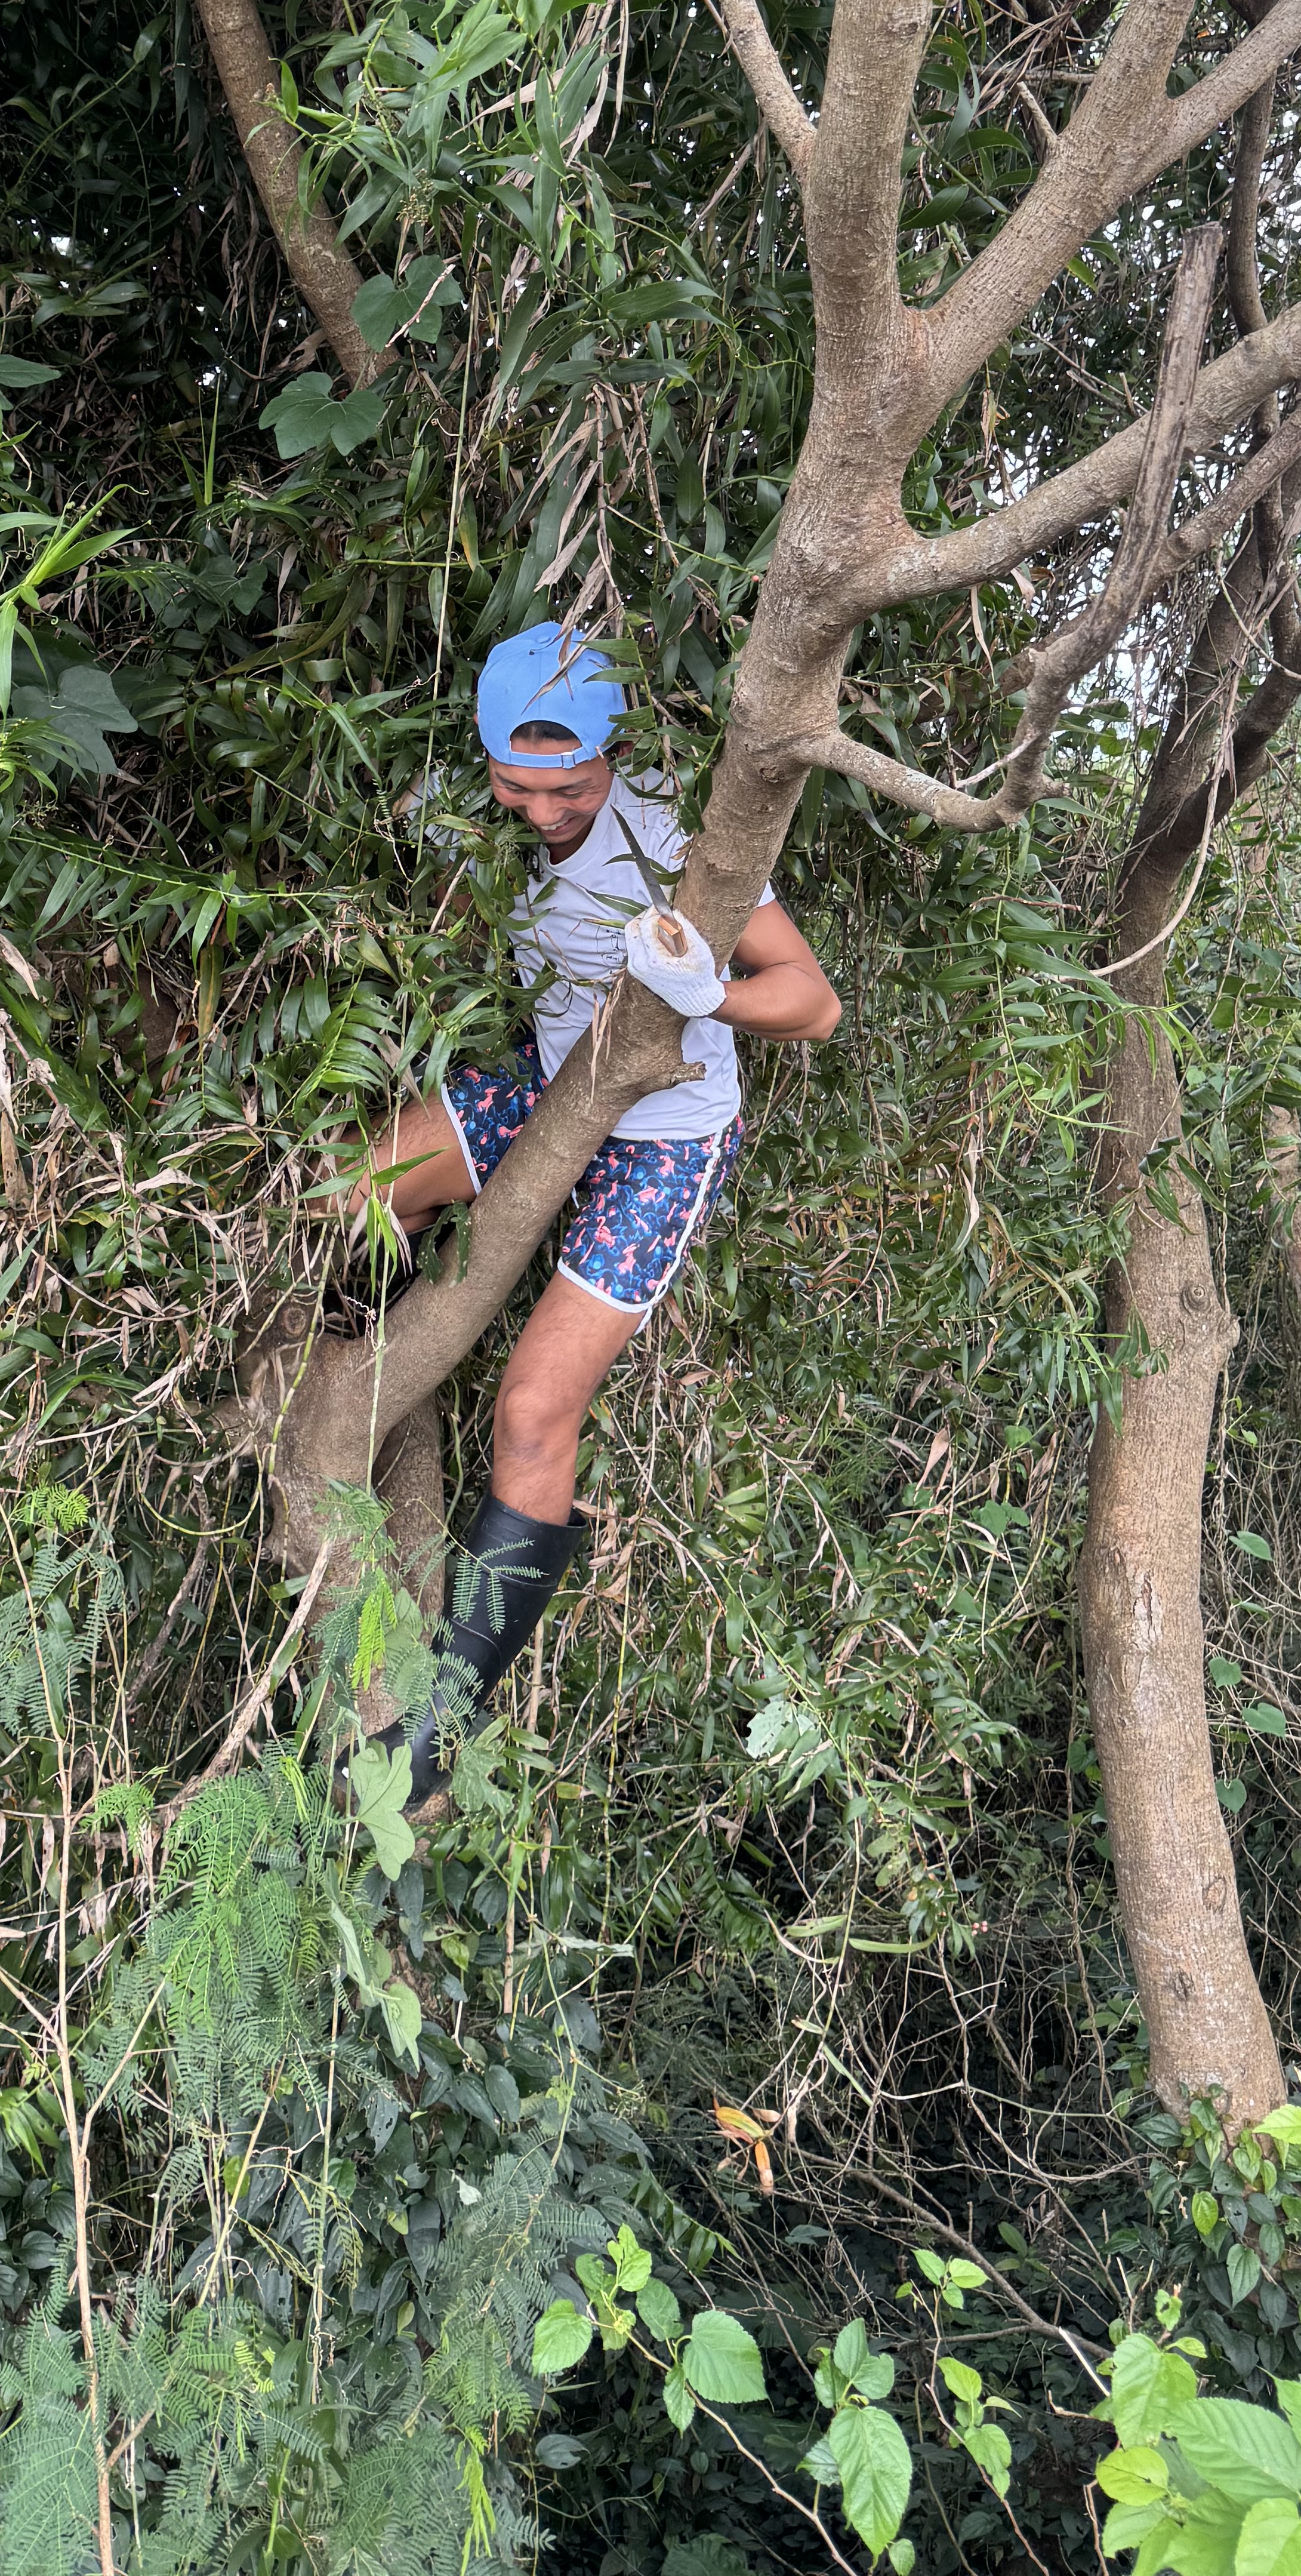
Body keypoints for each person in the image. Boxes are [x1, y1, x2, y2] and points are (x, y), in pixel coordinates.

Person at [336, 620, 839, 1803]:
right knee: (358, 1186)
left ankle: (443, 1726)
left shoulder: (670, 839)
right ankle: (349, 1382)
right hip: (556, 1082)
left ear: (610, 755)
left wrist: (705, 991)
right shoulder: (488, 823)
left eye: (565, 788)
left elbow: (810, 1004)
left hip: (658, 1144)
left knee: (531, 1411)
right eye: (516, 783)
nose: (538, 807)